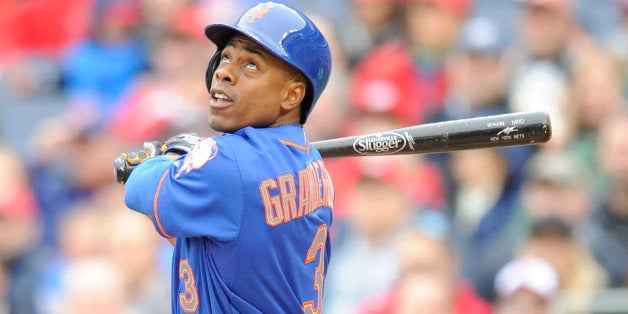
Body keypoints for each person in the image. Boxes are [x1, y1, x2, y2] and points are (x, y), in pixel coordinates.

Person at [118, 2, 333, 313]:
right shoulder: (313, 164)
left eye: (251, 65)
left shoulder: (228, 161)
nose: (224, 72)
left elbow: (139, 190)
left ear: (291, 95)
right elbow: (222, 252)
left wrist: (165, 159)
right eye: (227, 57)